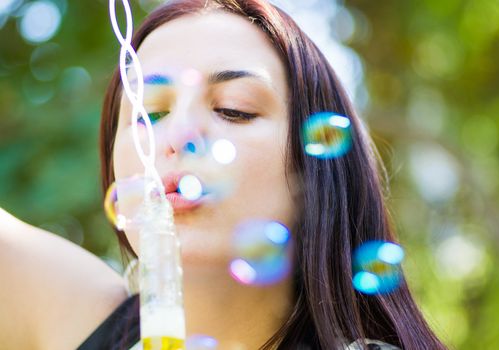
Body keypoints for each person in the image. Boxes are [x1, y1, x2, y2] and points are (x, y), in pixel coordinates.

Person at [0, 0, 449, 349]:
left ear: (314, 172)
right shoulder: (82, 319)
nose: (177, 136)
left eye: (234, 109)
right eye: (150, 114)